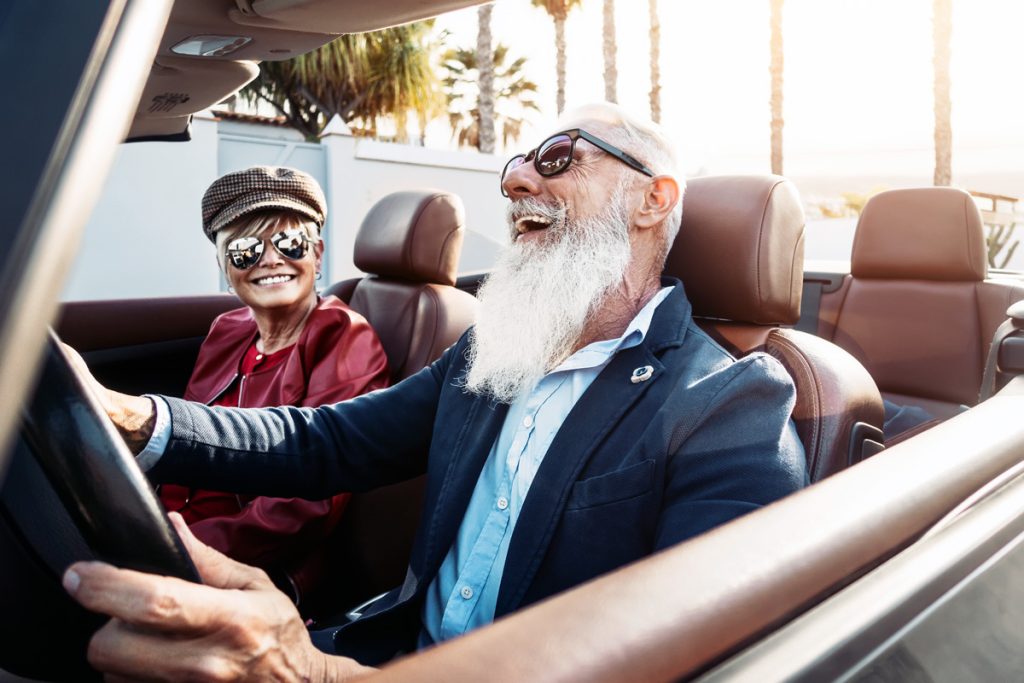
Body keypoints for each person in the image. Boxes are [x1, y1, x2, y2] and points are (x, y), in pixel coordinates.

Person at [63, 103, 807, 681]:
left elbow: (686, 659)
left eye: (557, 158)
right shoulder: (494, 352)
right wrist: (136, 418)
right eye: (515, 164)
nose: (517, 180)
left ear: (653, 200)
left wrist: (316, 672)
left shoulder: (731, 401)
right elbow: (326, 441)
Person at [158, 166, 390, 609]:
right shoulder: (227, 329)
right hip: (172, 531)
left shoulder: (343, 337)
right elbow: (186, 443)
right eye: (245, 249)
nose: (270, 259)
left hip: (251, 569)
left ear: (317, 254)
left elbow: (306, 503)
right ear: (226, 268)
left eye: (290, 242)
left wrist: (177, 552)